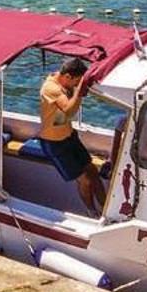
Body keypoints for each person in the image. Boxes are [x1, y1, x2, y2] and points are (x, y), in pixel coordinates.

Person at [36, 58, 105, 214]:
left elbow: (63, 115)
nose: (76, 85)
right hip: (55, 144)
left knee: (93, 171)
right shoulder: (51, 88)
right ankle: (92, 212)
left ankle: (106, 207)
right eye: (76, 81)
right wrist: (78, 92)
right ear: (67, 76)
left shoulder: (62, 81)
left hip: (69, 136)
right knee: (84, 180)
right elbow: (69, 110)